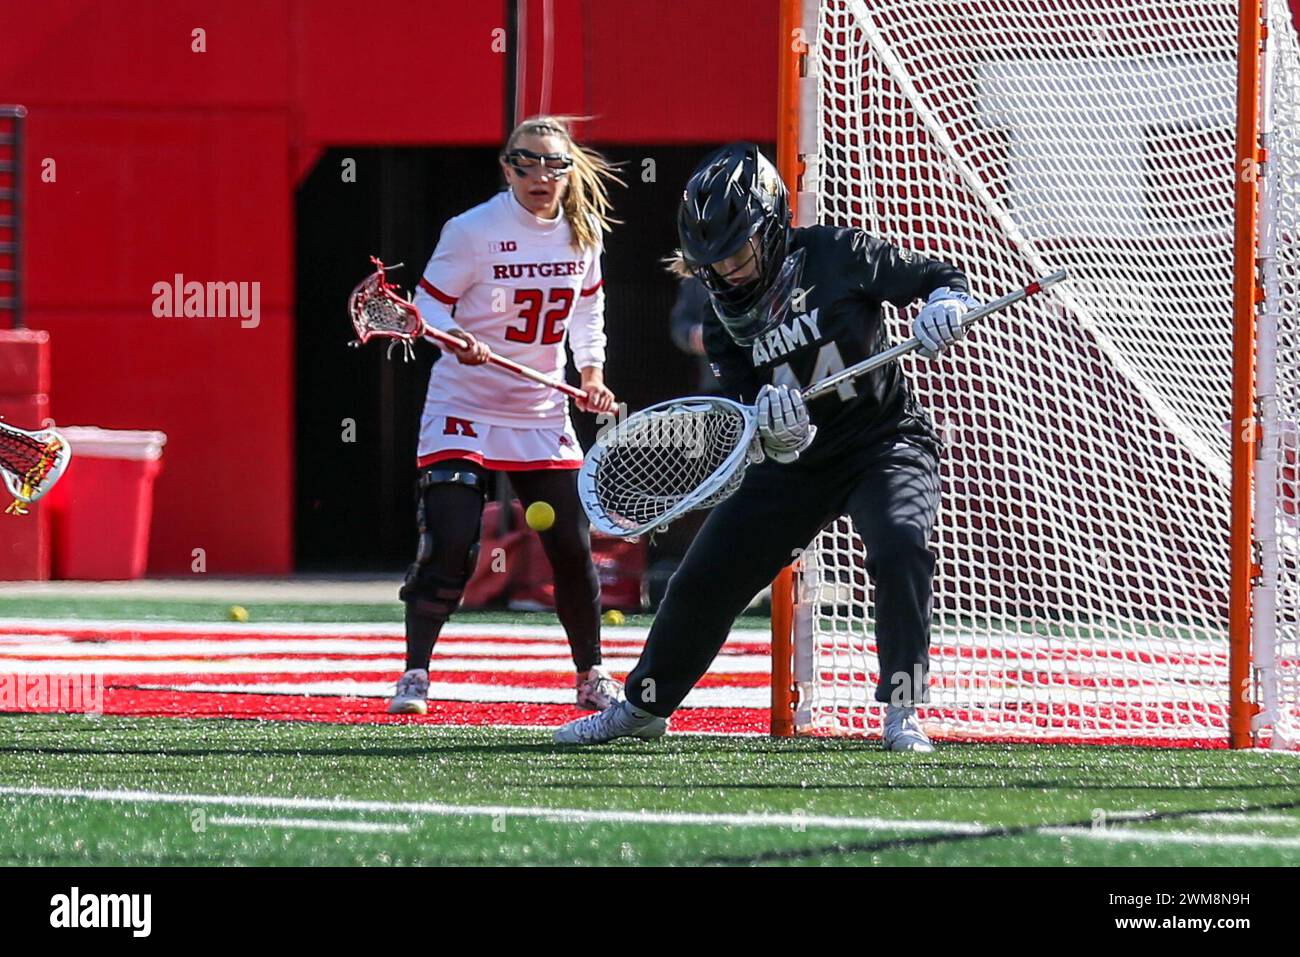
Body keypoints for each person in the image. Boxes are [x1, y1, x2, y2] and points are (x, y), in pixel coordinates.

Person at [554, 142, 977, 750]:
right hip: (797, 462)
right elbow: (753, 409)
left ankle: (902, 707)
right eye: (712, 260)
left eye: (735, 251)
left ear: (772, 223)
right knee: (705, 575)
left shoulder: (838, 253)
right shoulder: (723, 320)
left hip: (884, 439)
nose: (725, 270)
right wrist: (776, 430)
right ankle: (644, 706)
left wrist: (946, 304)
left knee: (900, 540)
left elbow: (936, 276)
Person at [388, 116, 625, 716]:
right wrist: (458, 339)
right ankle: (415, 671)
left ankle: (591, 673)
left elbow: (587, 316)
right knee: (451, 539)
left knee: (571, 547)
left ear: (570, 170)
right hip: (463, 405)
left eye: (554, 164)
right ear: (507, 167)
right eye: (528, 162)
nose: (541, 176)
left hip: (540, 409)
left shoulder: (583, 232)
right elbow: (425, 313)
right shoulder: (472, 231)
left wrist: (591, 376)